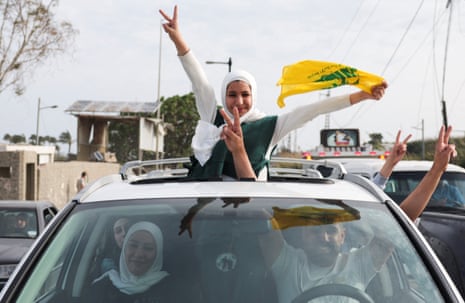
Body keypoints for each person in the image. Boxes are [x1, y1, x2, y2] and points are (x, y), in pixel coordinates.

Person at [159, 5, 388, 181]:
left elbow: (316, 110)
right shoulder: (212, 117)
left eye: (245, 95)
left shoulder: (271, 127)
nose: (239, 101)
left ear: (253, 96)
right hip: (208, 212)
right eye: (232, 94)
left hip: (253, 217)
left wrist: (363, 95)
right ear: (223, 95)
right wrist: (178, 39)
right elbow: (199, 81)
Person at [87, 221, 172, 302]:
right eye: (133, 245)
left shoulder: (173, 288)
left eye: (148, 248)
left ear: (158, 254)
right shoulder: (101, 287)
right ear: (124, 249)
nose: (139, 254)